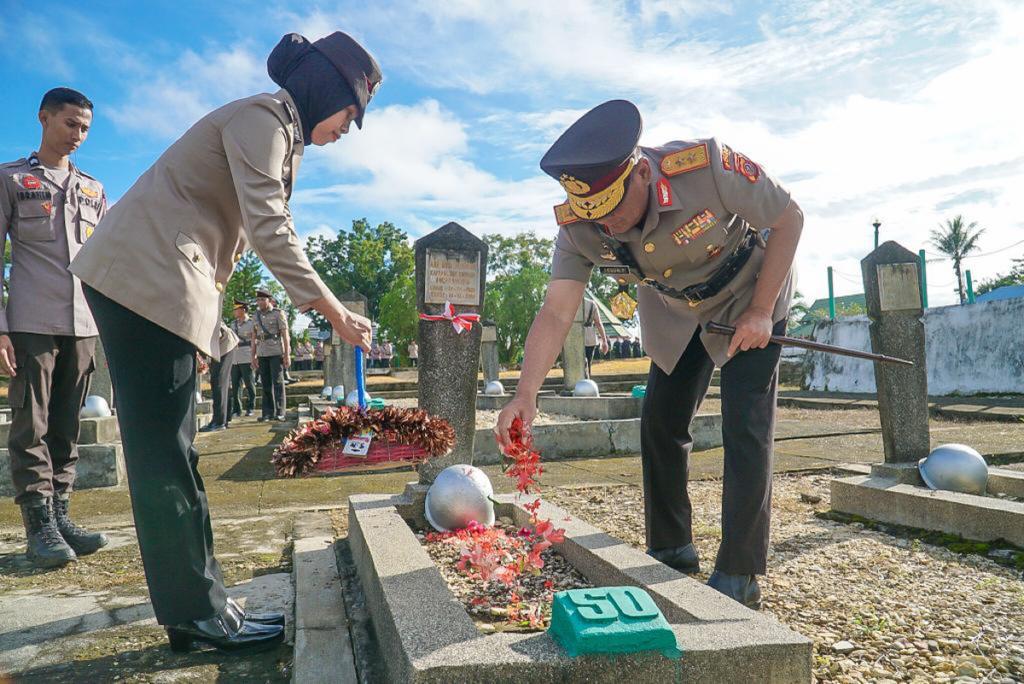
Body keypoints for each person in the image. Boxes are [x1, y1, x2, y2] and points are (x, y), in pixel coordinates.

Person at [69, 31, 379, 653]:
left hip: (153, 282)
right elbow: (269, 227)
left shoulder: (278, 131)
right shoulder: (263, 117)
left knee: (172, 449)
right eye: (353, 111)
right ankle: (194, 612)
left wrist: (209, 329)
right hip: (145, 281)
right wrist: (334, 311)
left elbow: (229, 245)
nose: (351, 128)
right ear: (326, 91)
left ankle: (201, 599)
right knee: (164, 454)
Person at [495, 100, 802, 610]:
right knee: (660, 423)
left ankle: (740, 572)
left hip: (751, 294)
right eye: (594, 217)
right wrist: (525, 393)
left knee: (745, 425)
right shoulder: (579, 226)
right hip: (677, 311)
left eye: (613, 210)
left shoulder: (707, 167)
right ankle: (671, 549)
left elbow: (789, 218)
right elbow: (556, 312)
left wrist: (763, 310)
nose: (608, 229)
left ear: (641, 173)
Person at [1, 87, 109, 569]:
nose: (77, 136)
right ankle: (37, 525)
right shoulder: (12, 180)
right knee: (32, 424)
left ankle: (61, 514)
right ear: (43, 118)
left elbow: (108, 262)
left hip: (83, 324)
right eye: (69, 124)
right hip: (30, 323)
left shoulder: (93, 189)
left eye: (85, 128)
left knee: (68, 424)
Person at [252, 289, 289, 422]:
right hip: (262, 352)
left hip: (275, 351)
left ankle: (280, 412)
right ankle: (267, 412)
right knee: (265, 383)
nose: (260, 302)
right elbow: (254, 337)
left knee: (278, 382)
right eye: (258, 300)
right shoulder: (255, 315)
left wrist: (287, 354)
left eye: (262, 299)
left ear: (269, 300)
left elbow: (285, 335)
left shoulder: (278, 314)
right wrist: (253, 355)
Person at [200, 323, 238, 432]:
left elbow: (218, 334)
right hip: (221, 346)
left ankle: (219, 422)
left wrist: (205, 356)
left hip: (225, 346)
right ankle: (224, 419)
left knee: (218, 382)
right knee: (221, 383)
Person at [229, 301, 256, 417]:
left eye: (236, 309)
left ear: (243, 310)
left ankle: (250, 407)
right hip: (235, 358)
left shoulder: (252, 323)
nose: (234, 312)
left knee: (249, 384)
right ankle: (237, 409)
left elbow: (256, 341)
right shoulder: (233, 324)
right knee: (235, 385)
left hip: (247, 356)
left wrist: (254, 356)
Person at [582, 296, 609, 378]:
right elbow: (598, 323)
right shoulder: (591, 304)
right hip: (589, 337)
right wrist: (604, 341)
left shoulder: (569, 302)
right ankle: (587, 381)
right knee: (588, 363)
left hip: (575, 336)